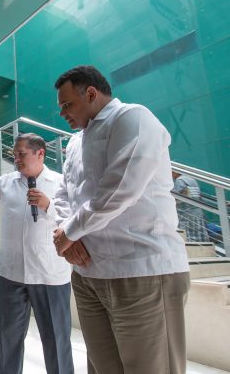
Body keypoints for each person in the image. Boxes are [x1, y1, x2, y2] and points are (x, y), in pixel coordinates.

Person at [52, 65, 190, 374]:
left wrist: (70, 232)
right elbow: (63, 194)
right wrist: (64, 233)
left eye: (67, 105)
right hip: (88, 274)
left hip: (141, 273)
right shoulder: (74, 143)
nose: (62, 113)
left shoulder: (132, 118)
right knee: (103, 368)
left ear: (91, 93)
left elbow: (119, 189)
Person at [0, 133, 73, 374]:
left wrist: (49, 205)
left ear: (40, 154)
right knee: (8, 340)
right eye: (14, 154)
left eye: (21, 154)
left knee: (56, 340)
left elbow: (75, 220)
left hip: (50, 277)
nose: (16, 158)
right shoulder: (6, 182)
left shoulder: (60, 183)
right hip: (10, 275)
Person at [172, 172, 209, 242]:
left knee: (187, 237)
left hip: (186, 214)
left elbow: (176, 195)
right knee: (198, 236)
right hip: (197, 213)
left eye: (171, 172)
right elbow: (198, 196)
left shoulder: (180, 180)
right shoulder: (192, 179)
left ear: (176, 172)